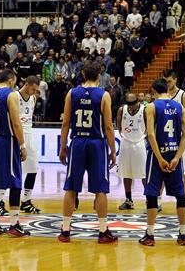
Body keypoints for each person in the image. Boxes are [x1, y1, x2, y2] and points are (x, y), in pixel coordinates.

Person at [58, 63, 118, 244]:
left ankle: (66, 230)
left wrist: (63, 146)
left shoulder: (72, 93)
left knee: (71, 187)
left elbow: (65, 123)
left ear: (83, 74)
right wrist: (113, 150)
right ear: (99, 75)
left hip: (77, 142)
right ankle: (102, 231)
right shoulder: (104, 95)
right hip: (96, 143)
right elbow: (108, 126)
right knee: (100, 189)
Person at [138, 78, 185, 247]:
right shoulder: (178, 106)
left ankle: (150, 235)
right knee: (180, 195)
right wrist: (177, 157)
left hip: (157, 156)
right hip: (174, 154)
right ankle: (183, 234)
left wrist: (160, 158)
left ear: (153, 91)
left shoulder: (151, 107)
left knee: (153, 193)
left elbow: (151, 135)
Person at [0, 69, 30, 236]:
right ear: (11, 80)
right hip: (6, 140)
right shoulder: (11, 95)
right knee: (15, 181)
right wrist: (22, 145)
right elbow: (16, 123)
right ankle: (14, 224)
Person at [164, 69, 185, 216]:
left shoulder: (184, 96)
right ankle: (156, 202)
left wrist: (183, 137)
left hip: (180, 139)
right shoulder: (162, 96)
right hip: (165, 139)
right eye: (165, 81)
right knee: (161, 168)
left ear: (175, 80)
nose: (167, 84)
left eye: (169, 81)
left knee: (184, 172)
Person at [16, 76, 42, 214]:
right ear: (26, 84)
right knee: (12, 171)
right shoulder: (14, 96)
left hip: (29, 135)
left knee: (33, 169)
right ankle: (0, 201)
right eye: (33, 88)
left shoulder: (33, 98)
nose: (34, 91)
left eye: (36, 90)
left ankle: (26, 201)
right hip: (16, 136)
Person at [116, 93, 147, 210]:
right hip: (126, 143)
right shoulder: (121, 110)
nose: (130, 106)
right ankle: (128, 200)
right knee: (126, 173)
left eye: (132, 104)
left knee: (143, 173)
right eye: (128, 104)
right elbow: (119, 126)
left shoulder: (144, 110)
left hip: (139, 143)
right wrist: (124, 135)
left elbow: (149, 126)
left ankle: (149, 199)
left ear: (137, 101)